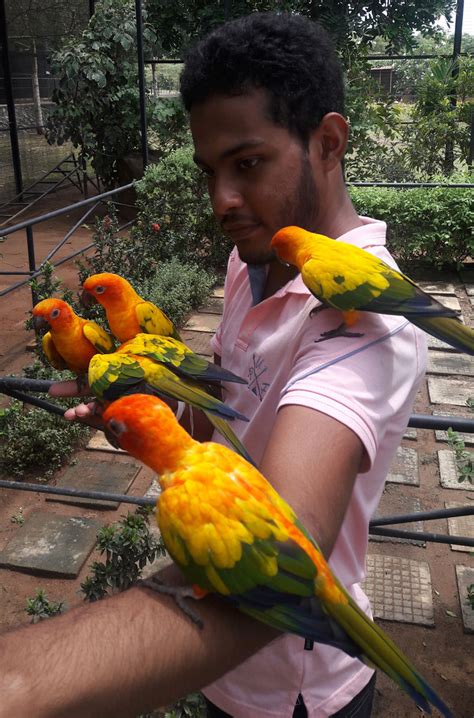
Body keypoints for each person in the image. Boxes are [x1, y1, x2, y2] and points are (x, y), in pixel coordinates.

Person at [0, 13, 427, 718]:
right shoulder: (251, 261)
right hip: (224, 685)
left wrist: (17, 686)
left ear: (328, 142)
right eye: (210, 173)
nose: (221, 201)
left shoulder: (366, 326)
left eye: (248, 164)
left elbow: (288, 528)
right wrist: (151, 415)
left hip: (297, 691)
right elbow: (213, 424)